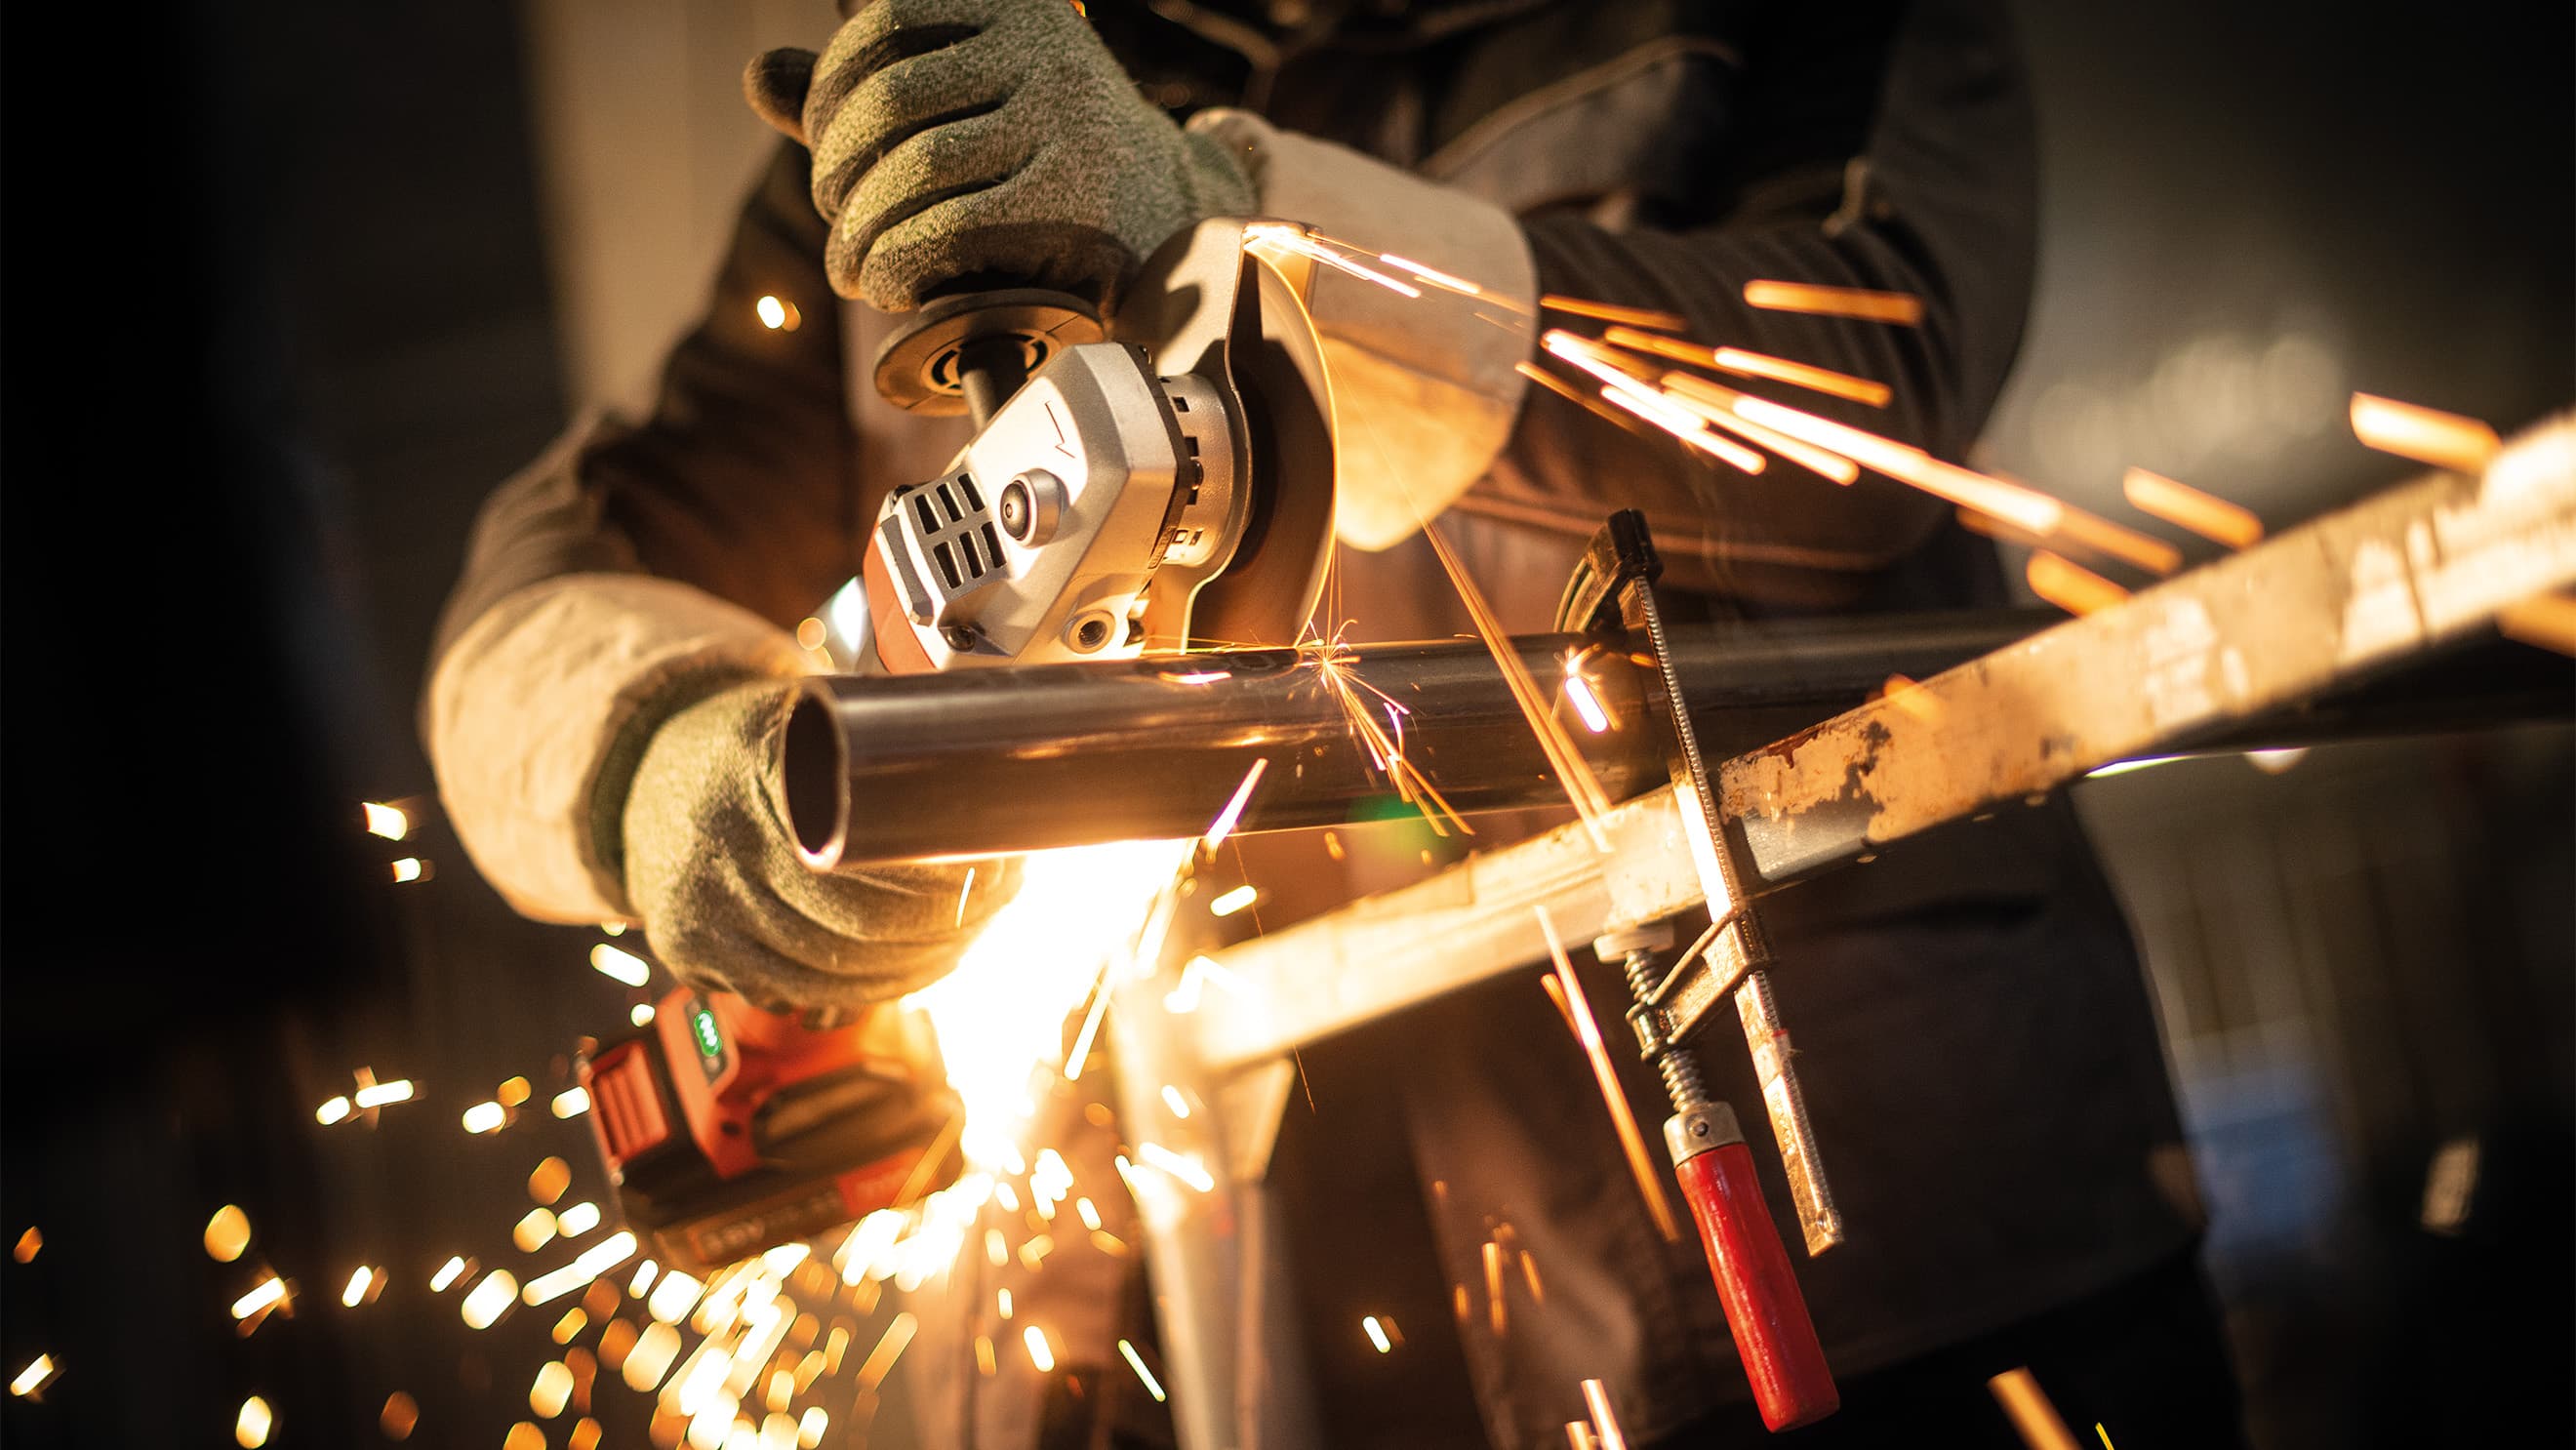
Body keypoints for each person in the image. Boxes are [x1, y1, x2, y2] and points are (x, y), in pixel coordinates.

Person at [425, 1, 2247, 1444]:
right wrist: (649, 753)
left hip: (1853, 1282)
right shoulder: (951, 90)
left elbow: (1860, 372)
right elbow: (557, 579)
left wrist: (1234, 226)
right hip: (1198, 1336)